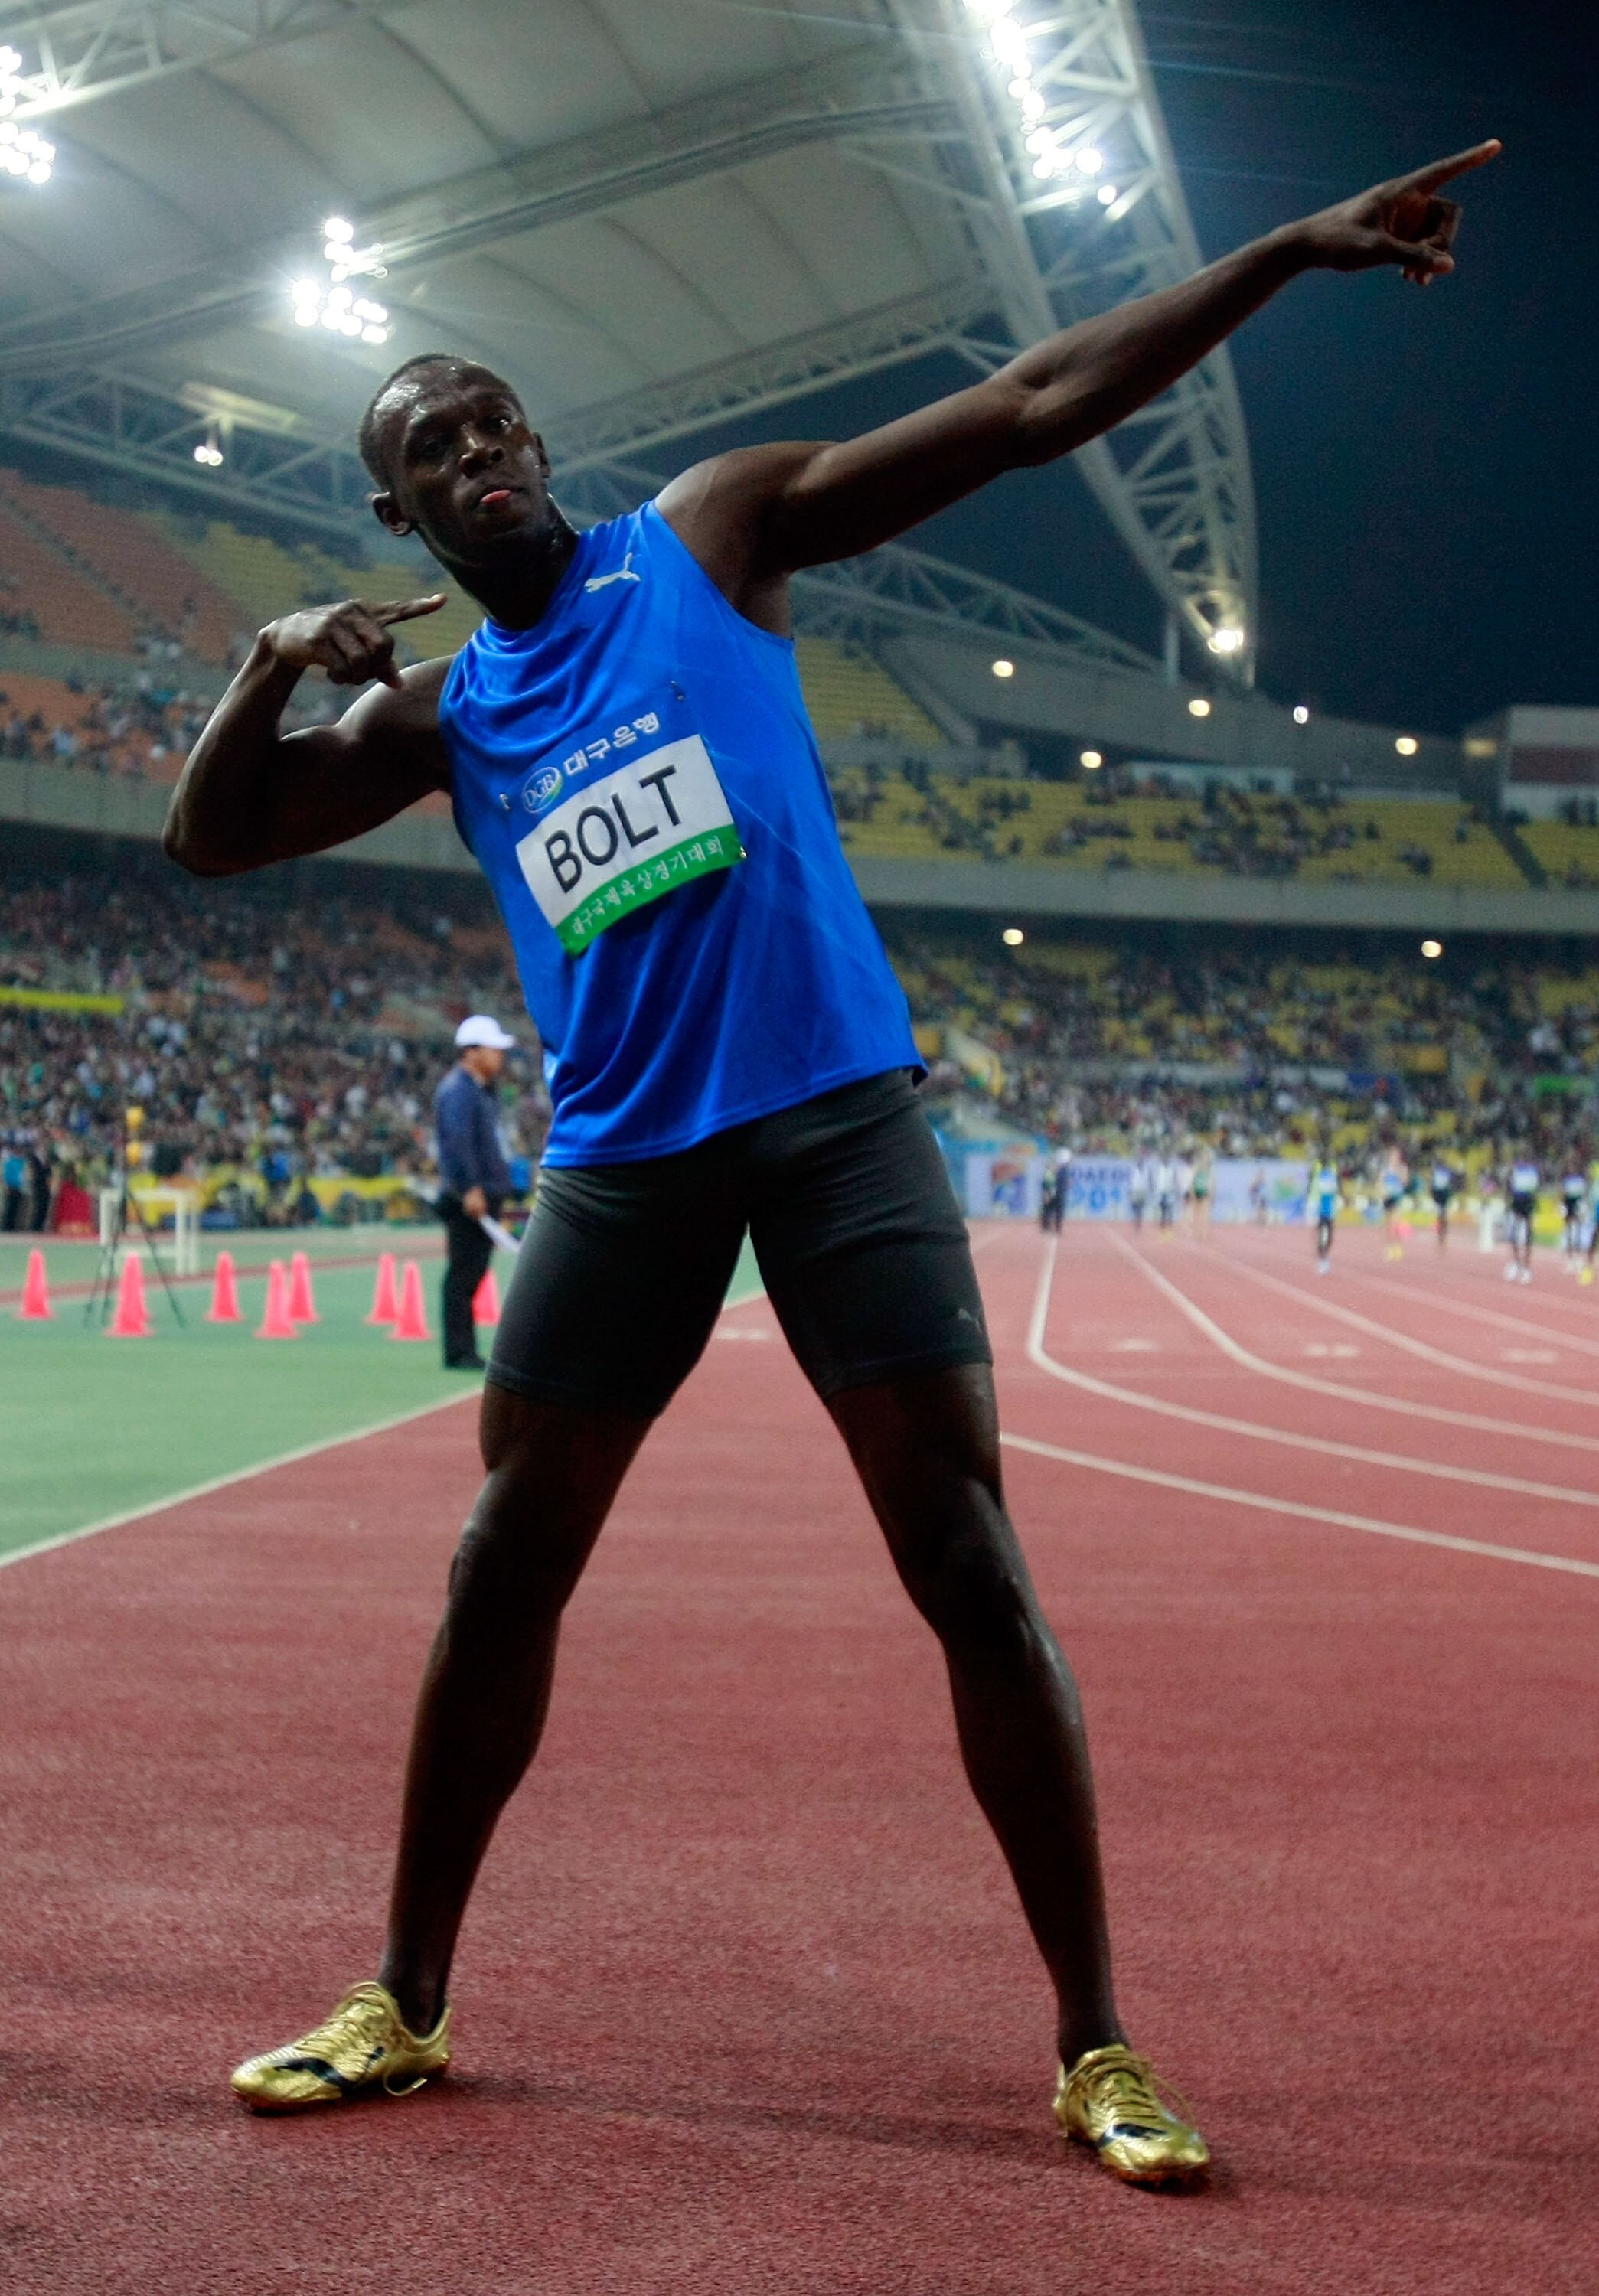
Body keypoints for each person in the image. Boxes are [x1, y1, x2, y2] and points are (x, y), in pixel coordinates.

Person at [162, 134, 1498, 2182]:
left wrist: (1282, 251)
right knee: (505, 1560)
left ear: (541, 444)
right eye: (436, 446)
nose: (482, 449)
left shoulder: (708, 535)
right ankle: (406, 1998)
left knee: (963, 1557)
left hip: (836, 1124)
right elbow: (212, 840)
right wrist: (273, 663)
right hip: (624, 1164)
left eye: (498, 417)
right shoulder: (447, 715)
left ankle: (1097, 2045)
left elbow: (1033, 408)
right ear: (395, 510)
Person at [435, 1014, 516, 1369]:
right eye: (493, 1048)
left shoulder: (477, 1091)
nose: (499, 1056)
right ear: (471, 1051)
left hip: (483, 1192)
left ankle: (463, 1348)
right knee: (464, 1273)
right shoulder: (459, 1092)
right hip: (472, 1197)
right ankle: (459, 1351)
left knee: (473, 1271)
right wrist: (470, 1188)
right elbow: (457, 1144)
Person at [1505, 1152, 1539, 1283]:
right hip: (1517, 1203)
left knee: (1528, 1235)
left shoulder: (1533, 1170)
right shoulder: (1515, 1169)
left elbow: (1535, 1188)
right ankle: (1516, 1262)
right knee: (1514, 1233)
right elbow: (1508, 1184)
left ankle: (1525, 1267)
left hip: (1527, 1203)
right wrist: (1507, 1200)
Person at [1310, 1158, 1340, 1276]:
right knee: (1320, 1235)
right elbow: (1312, 1189)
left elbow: (1338, 1188)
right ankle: (1322, 1260)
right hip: (1319, 1209)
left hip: (1330, 1210)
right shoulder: (1317, 1172)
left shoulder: (1333, 1171)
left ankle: (1324, 1255)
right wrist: (1312, 1209)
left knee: (1330, 1237)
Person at [1560, 1161, 1588, 1274]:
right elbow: (1563, 1193)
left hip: (1578, 1204)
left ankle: (1578, 1257)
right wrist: (1563, 1206)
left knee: (1578, 1231)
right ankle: (1570, 1258)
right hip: (1569, 1205)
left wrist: (1584, 1206)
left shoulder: (1581, 1179)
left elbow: (1584, 1193)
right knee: (1570, 1232)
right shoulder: (1567, 1179)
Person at [1429, 1156, 1456, 1250]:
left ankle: (1442, 1239)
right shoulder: (1445, 1172)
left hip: (1441, 1198)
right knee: (1443, 1219)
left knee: (1442, 1219)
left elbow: (1433, 1186)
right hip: (1442, 1198)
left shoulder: (1439, 1172)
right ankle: (1442, 1239)